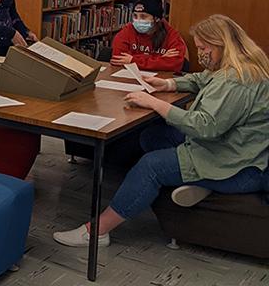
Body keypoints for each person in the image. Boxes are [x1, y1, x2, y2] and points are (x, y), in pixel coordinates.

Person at [54, 14, 269, 248]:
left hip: (236, 167)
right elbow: (202, 79)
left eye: (203, 48)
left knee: (151, 165)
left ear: (220, 44)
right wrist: (168, 84)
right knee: (153, 135)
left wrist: (156, 103)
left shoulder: (236, 80)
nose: (200, 54)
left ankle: (97, 231)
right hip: (233, 151)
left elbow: (205, 126)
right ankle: (200, 184)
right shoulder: (239, 64)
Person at [111, 0, 187, 72]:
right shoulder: (127, 31)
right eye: (135, 16)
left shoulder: (172, 35)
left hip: (160, 80)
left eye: (143, 16)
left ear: (157, 18)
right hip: (129, 77)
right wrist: (160, 59)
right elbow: (118, 59)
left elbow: (174, 64)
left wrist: (133, 60)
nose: (138, 20)